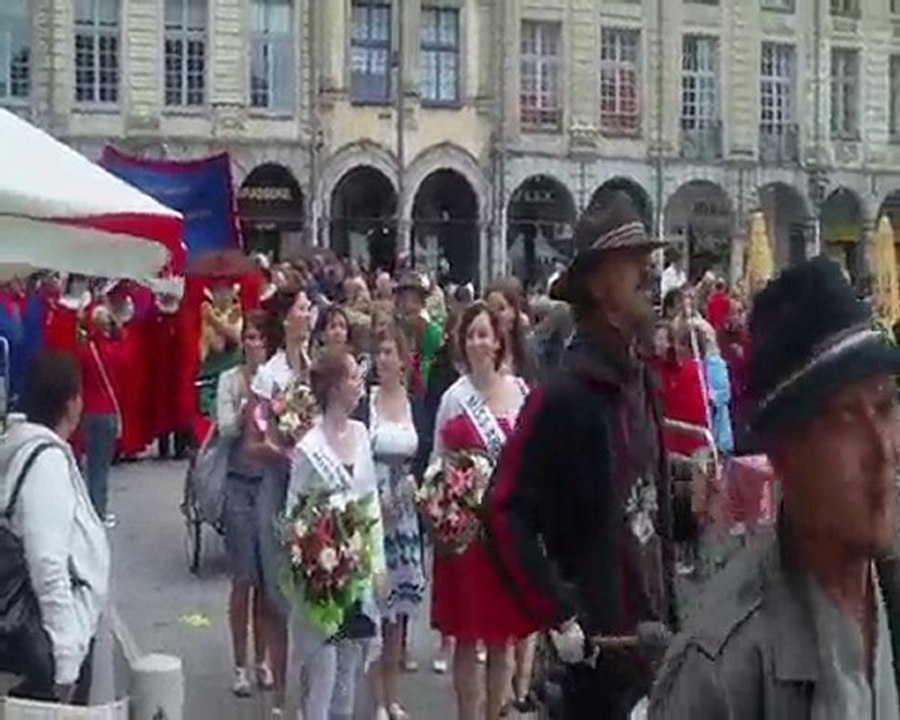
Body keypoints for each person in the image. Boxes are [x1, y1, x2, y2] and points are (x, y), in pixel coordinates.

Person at [650, 256, 900, 716]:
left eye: (886, 408)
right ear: (784, 455)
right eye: (847, 418)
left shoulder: (887, 591)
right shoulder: (722, 672)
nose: (885, 451)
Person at [484, 191, 678, 720]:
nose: (649, 271)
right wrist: (558, 613)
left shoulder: (639, 378)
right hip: (597, 664)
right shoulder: (565, 393)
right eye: (632, 261)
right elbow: (502, 508)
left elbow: (641, 508)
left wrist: (685, 493)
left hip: (653, 648)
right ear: (598, 284)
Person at [431, 302, 535, 720]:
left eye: (484, 334)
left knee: (501, 638)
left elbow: (531, 458)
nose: (477, 342)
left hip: (504, 532)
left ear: (497, 341)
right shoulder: (453, 399)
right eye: (470, 334)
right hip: (464, 537)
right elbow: (436, 464)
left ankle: (497, 713)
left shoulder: (520, 392)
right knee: (466, 636)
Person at [0, 351, 110, 704]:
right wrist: (66, 661)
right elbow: (47, 562)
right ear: (71, 403)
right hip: (51, 644)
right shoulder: (45, 462)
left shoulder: (26, 450)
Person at [286, 347, 386, 720]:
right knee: (323, 668)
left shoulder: (360, 433)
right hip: (322, 576)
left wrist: (377, 563)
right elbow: (292, 511)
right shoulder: (309, 447)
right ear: (334, 387)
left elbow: (370, 500)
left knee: (350, 665)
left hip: (355, 570)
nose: (360, 385)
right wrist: (314, 555)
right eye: (353, 378)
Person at [245, 288, 314, 718]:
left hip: (313, 493)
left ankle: (312, 689)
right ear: (286, 318)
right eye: (303, 309)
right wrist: (284, 447)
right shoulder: (268, 377)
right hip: (276, 489)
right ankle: (279, 693)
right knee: (276, 594)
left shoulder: (316, 367)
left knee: (315, 592)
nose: (309, 315)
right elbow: (252, 445)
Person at [363, 327, 426, 720]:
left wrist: (416, 483)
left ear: (403, 359)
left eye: (390, 352)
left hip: (404, 512)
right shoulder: (365, 402)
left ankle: (393, 695)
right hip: (374, 505)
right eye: (379, 352)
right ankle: (375, 700)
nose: (383, 359)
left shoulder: (415, 402)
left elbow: (425, 452)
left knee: (400, 609)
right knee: (375, 607)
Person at [216, 311, 273, 697]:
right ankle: (239, 664)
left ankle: (263, 659)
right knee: (244, 579)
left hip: (267, 483)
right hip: (238, 484)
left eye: (259, 338)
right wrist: (244, 405)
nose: (254, 344)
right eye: (249, 338)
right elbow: (224, 429)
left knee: (268, 581)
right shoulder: (229, 381)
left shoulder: (274, 380)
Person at [75, 305, 123, 525]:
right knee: (101, 466)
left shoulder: (84, 351)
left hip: (88, 411)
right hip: (108, 411)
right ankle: (98, 511)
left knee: (90, 465)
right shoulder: (114, 351)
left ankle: (87, 508)